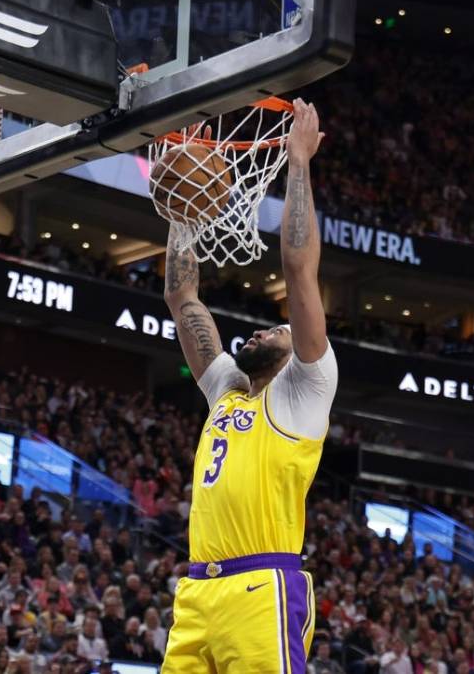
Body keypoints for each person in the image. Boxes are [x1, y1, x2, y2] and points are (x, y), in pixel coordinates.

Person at [160, 99, 337, 673]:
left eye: (277, 327)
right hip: (195, 594)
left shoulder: (305, 389)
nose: (262, 329)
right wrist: (184, 212)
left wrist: (299, 162)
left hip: (261, 587)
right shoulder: (228, 390)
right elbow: (182, 299)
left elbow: (298, 271)